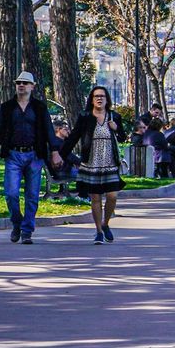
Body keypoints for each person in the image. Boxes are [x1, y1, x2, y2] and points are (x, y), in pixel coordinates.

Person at [59, 86, 126, 244]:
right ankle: (98, 231)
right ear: (91, 99)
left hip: (109, 162)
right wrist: (60, 154)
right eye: (96, 96)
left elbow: (123, 138)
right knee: (95, 198)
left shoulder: (114, 116)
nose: (99, 98)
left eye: (102, 96)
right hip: (92, 161)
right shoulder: (85, 117)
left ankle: (106, 223)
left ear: (107, 99)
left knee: (112, 196)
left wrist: (116, 129)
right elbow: (74, 136)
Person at [2, 71, 61, 246]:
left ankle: (27, 231)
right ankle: (17, 222)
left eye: (25, 83)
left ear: (32, 86)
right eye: (19, 82)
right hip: (13, 154)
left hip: (35, 155)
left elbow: (49, 130)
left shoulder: (39, 107)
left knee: (32, 195)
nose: (21, 85)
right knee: (11, 193)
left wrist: (55, 151)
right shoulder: (6, 107)